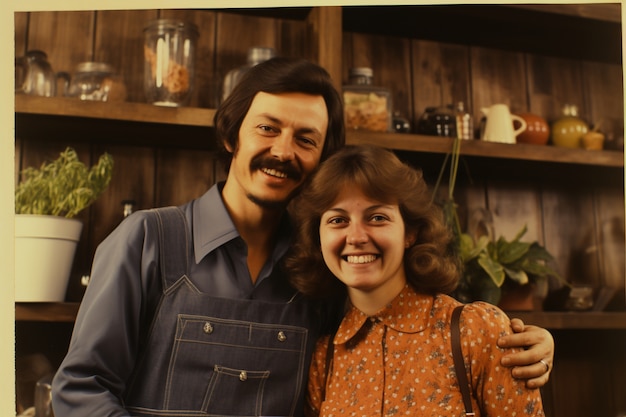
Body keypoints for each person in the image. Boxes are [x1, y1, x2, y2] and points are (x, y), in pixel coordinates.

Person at [51, 57, 552, 417]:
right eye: (267, 128)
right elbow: (79, 390)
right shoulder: (146, 240)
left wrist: (526, 343)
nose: (283, 151)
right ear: (232, 136)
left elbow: (398, 326)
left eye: (306, 139)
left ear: (321, 160)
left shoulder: (322, 265)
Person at [285, 145, 545, 416]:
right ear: (318, 237)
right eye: (338, 220)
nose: (356, 237)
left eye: (377, 217)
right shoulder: (323, 358)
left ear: (410, 232)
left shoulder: (476, 330)